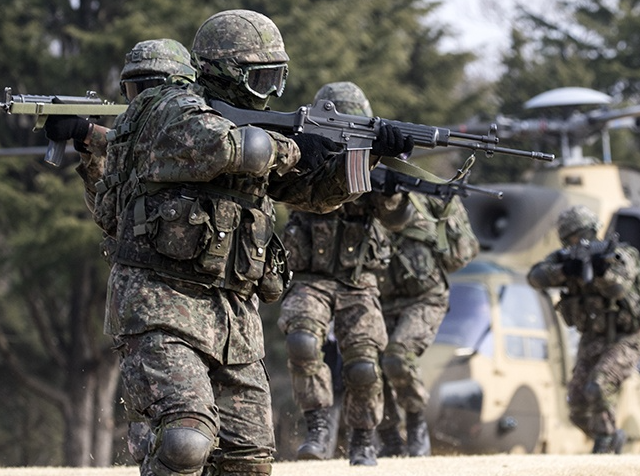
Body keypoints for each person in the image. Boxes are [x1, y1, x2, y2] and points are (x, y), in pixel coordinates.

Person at [90, 11, 412, 476]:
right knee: (186, 439)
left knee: (248, 460)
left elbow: (314, 195)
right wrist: (296, 147)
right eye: (259, 78)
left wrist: (367, 155)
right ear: (221, 71)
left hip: (234, 319)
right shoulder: (170, 108)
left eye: (275, 79)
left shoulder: (255, 132)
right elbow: (223, 147)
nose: (269, 92)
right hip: (160, 306)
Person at [277, 81, 414, 466]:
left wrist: (391, 188)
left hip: (358, 280)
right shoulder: (305, 153)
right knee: (302, 341)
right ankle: (318, 425)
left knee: (364, 364)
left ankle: (363, 438)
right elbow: (285, 189)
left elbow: (398, 220)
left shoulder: (372, 162)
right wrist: (307, 153)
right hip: (311, 277)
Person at [527, 204, 640, 454]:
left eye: (581, 235)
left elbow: (619, 288)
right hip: (592, 336)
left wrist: (601, 271)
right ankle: (610, 435)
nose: (577, 242)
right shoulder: (565, 258)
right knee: (577, 404)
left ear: (593, 231)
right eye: (571, 238)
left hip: (627, 336)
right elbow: (535, 277)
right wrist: (565, 270)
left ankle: (606, 442)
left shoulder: (621, 254)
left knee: (599, 385)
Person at [374, 189, 479, 457]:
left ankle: (415, 424)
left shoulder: (427, 200)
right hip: (377, 298)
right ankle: (389, 438)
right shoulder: (363, 198)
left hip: (425, 299)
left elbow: (461, 255)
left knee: (397, 357)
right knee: (367, 365)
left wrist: (444, 215)